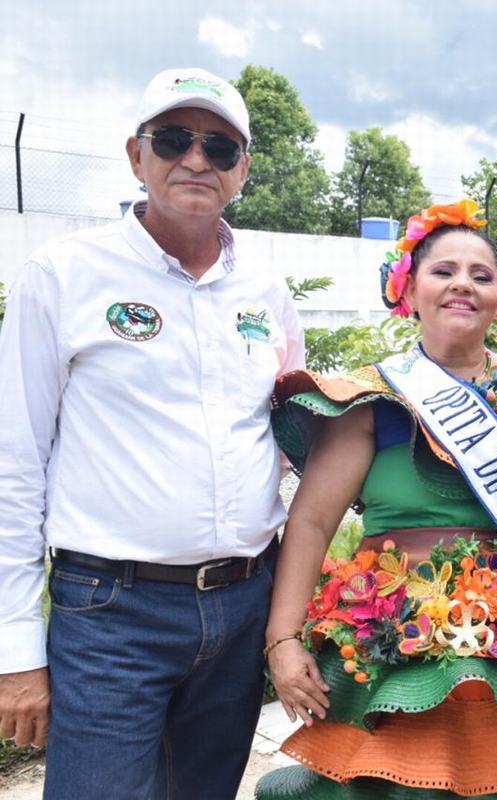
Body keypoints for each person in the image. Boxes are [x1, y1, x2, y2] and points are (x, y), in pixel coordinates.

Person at [255, 200, 497, 800]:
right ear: (409, 291)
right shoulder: (373, 396)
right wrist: (283, 641)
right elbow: (311, 523)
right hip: (390, 636)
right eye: (443, 271)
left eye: (481, 274)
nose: (463, 283)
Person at [0, 68, 303, 798]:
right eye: (173, 139)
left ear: (243, 171)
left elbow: (297, 435)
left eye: (221, 148)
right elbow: (14, 462)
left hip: (241, 608)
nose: (196, 160)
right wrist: (14, 647)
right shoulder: (65, 275)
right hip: (111, 615)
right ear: (137, 156)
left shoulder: (265, 289)